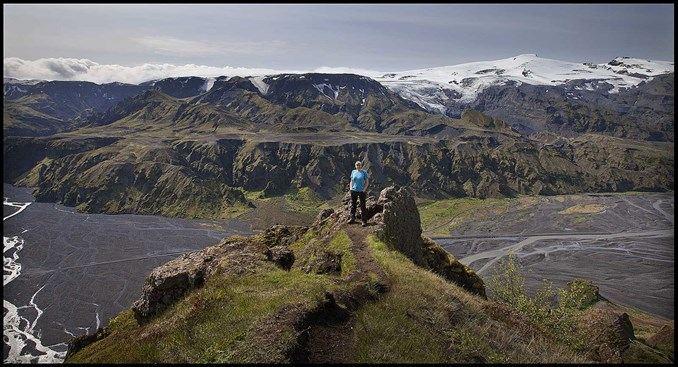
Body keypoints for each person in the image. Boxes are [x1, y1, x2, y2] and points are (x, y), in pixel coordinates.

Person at [349, 160, 369, 226]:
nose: (358, 166)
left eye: (359, 165)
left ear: (361, 165)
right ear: (355, 166)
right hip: (354, 191)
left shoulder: (364, 172)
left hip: (361, 191)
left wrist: (364, 190)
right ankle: (352, 218)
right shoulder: (353, 172)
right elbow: (351, 181)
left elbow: (367, 182)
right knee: (353, 205)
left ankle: (364, 221)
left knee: (363, 206)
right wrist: (351, 188)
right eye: (357, 165)